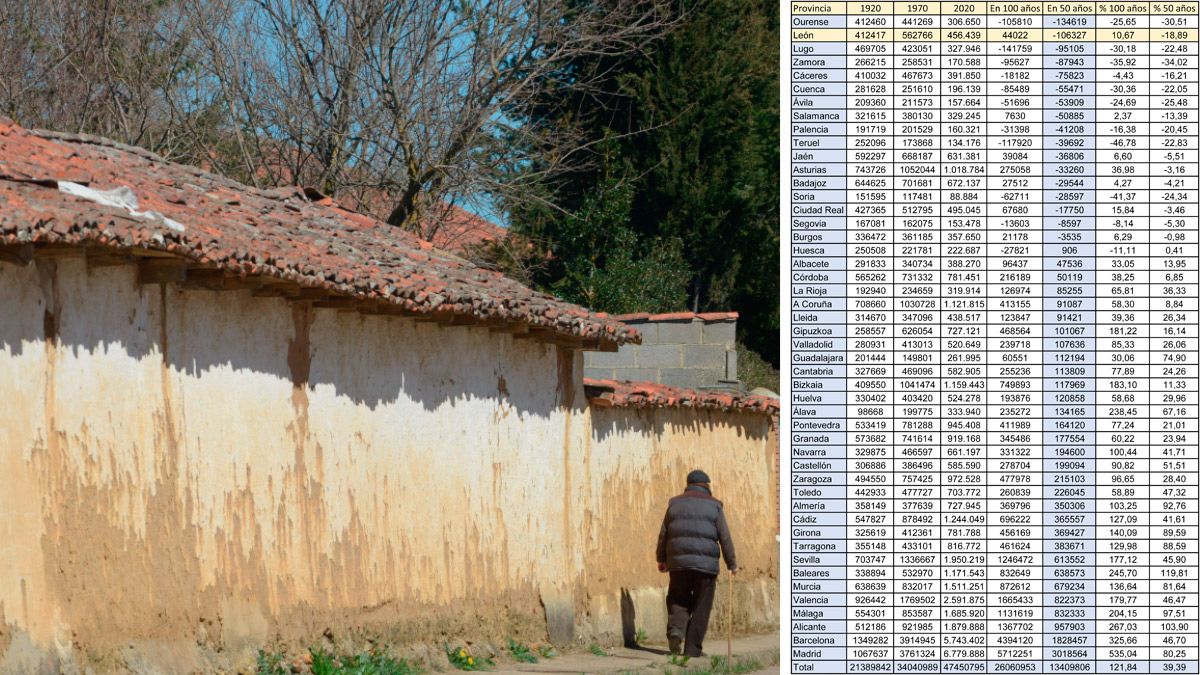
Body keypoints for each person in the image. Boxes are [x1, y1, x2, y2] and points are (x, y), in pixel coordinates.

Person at [655, 469, 738, 657]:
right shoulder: (715, 506)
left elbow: (664, 534)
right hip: (705, 566)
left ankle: (676, 630)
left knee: (678, 598)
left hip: (678, 563)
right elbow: (724, 537)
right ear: (707, 486)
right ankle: (692, 649)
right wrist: (731, 564)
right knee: (702, 606)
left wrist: (661, 559)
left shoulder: (674, 504)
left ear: (688, 485)